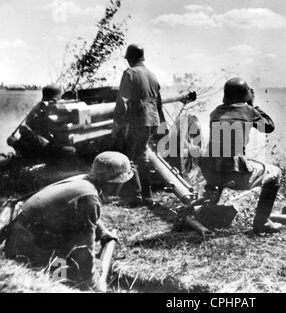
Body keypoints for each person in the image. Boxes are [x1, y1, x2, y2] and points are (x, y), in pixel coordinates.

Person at [4, 151, 133, 290]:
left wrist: (102, 232)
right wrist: (95, 286)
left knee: (75, 266)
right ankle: (58, 284)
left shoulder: (84, 181)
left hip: (25, 235)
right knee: (68, 279)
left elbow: (84, 216)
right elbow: (84, 251)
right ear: (112, 183)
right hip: (27, 247)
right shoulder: (89, 197)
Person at [199, 77, 283, 234]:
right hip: (233, 175)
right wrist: (252, 104)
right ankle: (262, 223)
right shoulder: (249, 111)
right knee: (275, 172)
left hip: (210, 173)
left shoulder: (215, 112)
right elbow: (268, 127)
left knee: (222, 157)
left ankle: (208, 209)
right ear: (245, 95)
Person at [112, 44, 165, 206]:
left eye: (128, 58)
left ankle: (135, 196)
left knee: (130, 157)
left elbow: (123, 101)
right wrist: (162, 124)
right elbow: (159, 102)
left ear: (131, 58)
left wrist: (118, 124)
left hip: (138, 119)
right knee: (142, 155)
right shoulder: (152, 74)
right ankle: (147, 195)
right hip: (152, 119)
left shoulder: (130, 73)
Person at [8, 84, 75, 157]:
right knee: (71, 150)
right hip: (40, 147)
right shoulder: (43, 109)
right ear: (56, 98)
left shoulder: (41, 107)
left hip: (40, 143)